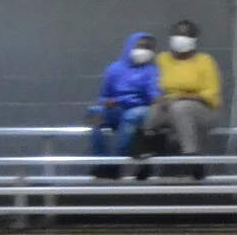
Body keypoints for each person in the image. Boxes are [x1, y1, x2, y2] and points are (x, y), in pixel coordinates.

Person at [150, 20, 222, 176]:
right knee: (148, 112)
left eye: (185, 35)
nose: (180, 38)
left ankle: (192, 159)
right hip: (167, 107)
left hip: (202, 109)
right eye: (177, 34)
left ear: (194, 39)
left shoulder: (205, 61)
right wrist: (159, 98)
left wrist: (182, 96)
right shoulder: (162, 59)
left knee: (181, 107)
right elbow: (151, 84)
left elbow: (211, 94)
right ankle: (144, 160)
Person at [87, 32, 161, 174]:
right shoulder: (114, 69)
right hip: (115, 109)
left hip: (139, 108)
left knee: (130, 116)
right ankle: (100, 160)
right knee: (95, 114)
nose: (144, 50)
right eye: (140, 46)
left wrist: (121, 101)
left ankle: (116, 163)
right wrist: (105, 102)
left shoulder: (151, 71)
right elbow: (102, 96)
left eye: (148, 47)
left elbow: (153, 96)